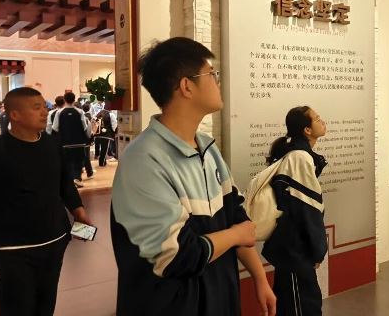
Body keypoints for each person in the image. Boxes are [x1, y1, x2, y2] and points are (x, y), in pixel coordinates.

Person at [110, 37, 275, 316]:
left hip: (220, 299)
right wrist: (235, 235)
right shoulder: (144, 160)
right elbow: (176, 255)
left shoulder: (208, 149)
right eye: (211, 74)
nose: (218, 81)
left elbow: (237, 217)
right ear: (186, 86)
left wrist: (260, 278)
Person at [0, 87, 92, 316]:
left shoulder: (52, 144)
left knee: (46, 305)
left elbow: (64, 183)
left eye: (44, 106)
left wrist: (79, 211)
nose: (45, 112)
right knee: (18, 308)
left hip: (55, 240)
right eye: (37, 108)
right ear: (15, 115)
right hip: (14, 249)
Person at [263, 106, 328, 316]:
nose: (322, 121)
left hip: (294, 248)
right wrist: (317, 249)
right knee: (301, 307)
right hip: (294, 249)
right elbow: (307, 209)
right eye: (317, 118)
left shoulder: (300, 155)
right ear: (307, 130)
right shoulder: (299, 157)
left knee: (297, 304)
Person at [53, 92, 92, 186]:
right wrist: (88, 137)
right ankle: (77, 178)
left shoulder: (59, 112)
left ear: (65, 100)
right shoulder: (80, 112)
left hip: (65, 143)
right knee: (78, 161)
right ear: (74, 100)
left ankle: (69, 180)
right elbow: (85, 127)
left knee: (67, 162)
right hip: (79, 142)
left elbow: (55, 128)